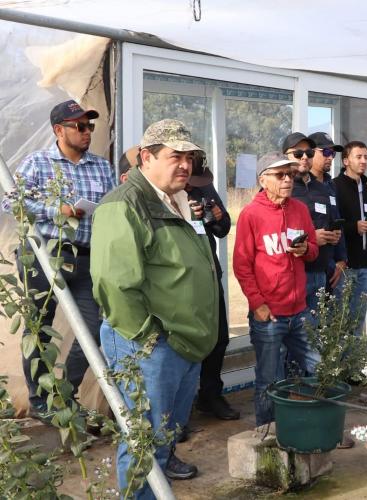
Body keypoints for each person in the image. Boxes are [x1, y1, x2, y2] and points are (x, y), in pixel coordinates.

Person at [91, 119, 219, 491]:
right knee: (143, 443)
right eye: (174, 156)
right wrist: (149, 339)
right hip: (150, 345)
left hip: (182, 342)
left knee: (163, 438)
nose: (184, 165)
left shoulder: (177, 200)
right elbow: (114, 285)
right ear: (146, 158)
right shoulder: (125, 205)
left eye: (189, 158)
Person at [3, 100, 115, 422]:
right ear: (58, 130)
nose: (86, 132)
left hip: (87, 258)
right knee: (39, 326)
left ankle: (64, 395)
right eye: (79, 126)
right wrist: (57, 210)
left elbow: (112, 204)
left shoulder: (101, 167)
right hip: (45, 254)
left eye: (89, 126)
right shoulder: (38, 163)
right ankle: (40, 401)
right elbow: (11, 201)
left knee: (94, 329)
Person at [233, 153, 320, 427]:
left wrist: (307, 249)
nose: (287, 180)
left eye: (290, 175)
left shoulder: (300, 210)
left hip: (300, 311)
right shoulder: (251, 214)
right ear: (263, 180)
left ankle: (312, 424)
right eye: (280, 175)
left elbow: (314, 251)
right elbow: (241, 265)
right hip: (269, 315)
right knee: (268, 380)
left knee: (319, 367)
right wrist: (258, 304)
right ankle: (268, 437)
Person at [183, 153, 238, 420]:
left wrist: (217, 216)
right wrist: (186, 215)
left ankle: (211, 395)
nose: (194, 186)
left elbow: (223, 227)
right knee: (183, 343)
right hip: (180, 277)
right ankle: (178, 409)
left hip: (208, 270)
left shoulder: (203, 185)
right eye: (190, 181)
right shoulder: (163, 191)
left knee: (219, 338)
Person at [286, 132, 343, 315]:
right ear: (285, 155)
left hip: (322, 272)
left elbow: (328, 222)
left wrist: (334, 238)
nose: (304, 157)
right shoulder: (281, 188)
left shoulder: (322, 188)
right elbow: (275, 230)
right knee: (296, 337)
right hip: (294, 273)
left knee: (318, 336)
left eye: (309, 153)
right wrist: (311, 238)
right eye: (298, 154)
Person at [333, 141, 367, 334]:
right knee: (342, 316)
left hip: (363, 263)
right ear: (346, 160)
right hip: (345, 263)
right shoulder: (335, 187)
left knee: (358, 315)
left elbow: (366, 222)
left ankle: (353, 361)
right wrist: (354, 227)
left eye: (366, 157)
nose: (363, 161)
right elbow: (333, 224)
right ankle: (340, 362)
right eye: (358, 157)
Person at [307, 131, 348, 291]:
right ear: (311, 153)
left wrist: (341, 259)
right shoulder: (300, 185)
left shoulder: (331, 185)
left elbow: (338, 222)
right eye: (326, 152)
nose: (330, 157)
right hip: (308, 267)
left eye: (333, 153)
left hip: (331, 266)